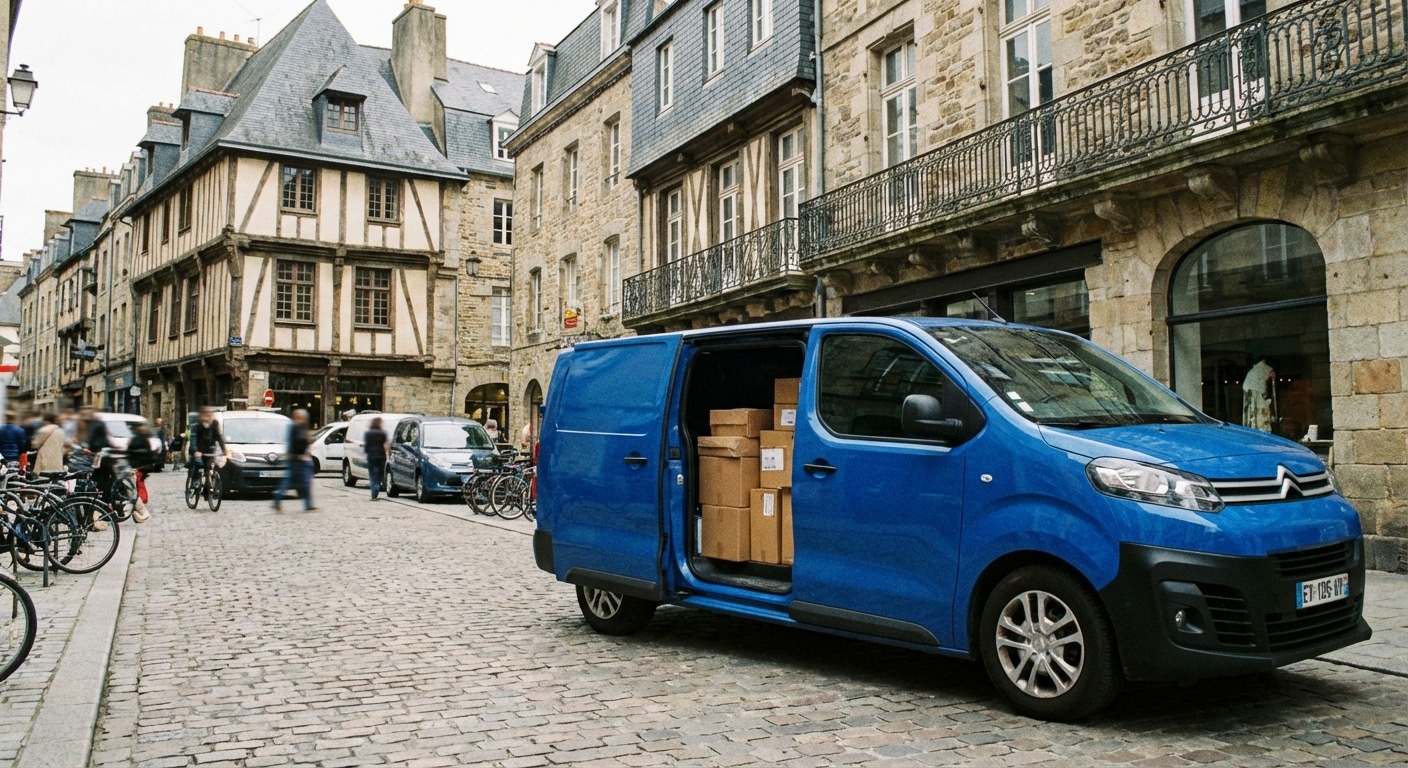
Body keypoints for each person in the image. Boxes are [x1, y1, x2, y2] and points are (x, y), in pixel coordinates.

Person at [273, 408, 315, 512]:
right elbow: (292, 443)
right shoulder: (293, 427)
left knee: (303, 481)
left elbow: (305, 442)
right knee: (296, 481)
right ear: (297, 417)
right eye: (301, 418)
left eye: (304, 418)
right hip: (296, 459)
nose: (303, 420)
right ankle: (306, 504)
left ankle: (307, 504)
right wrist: (298, 456)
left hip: (302, 459)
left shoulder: (302, 428)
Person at [190, 407, 226, 500]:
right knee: (198, 465)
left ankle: (207, 491)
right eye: (206, 415)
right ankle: (195, 481)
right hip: (198, 451)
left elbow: (219, 438)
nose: (208, 417)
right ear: (202, 416)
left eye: (210, 415)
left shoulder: (214, 425)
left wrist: (224, 450)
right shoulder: (196, 426)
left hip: (209, 451)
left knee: (209, 469)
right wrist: (195, 451)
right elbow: (193, 439)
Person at [125, 422, 158, 523]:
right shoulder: (143, 438)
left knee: (135, 487)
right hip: (139, 466)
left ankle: (142, 507)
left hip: (137, 467)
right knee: (136, 486)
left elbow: (134, 452)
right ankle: (140, 507)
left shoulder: (138, 439)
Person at [364, 416, 388, 501]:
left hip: (371, 456)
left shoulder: (368, 433)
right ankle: (377, 486)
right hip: (381, 455)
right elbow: (385, 444)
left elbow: (366, 446)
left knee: (372, 475)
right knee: (380, 474)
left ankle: (374, 492)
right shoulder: (382, 433)